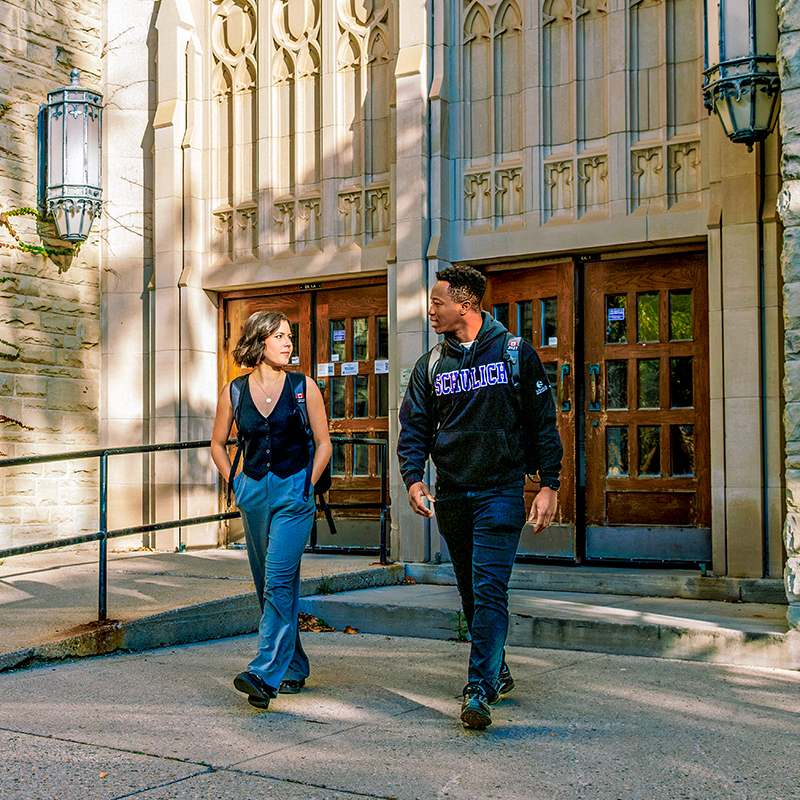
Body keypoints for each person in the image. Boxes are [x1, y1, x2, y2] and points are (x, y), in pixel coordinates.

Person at [397, 265, 562, 730]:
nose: (430, 310)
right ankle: (497, 669)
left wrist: (549, 483)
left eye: (437, 302)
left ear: (465, 305)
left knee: (490, 588)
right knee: (471, 591)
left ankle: (478, 690)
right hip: (452, 493)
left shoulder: (514, 353)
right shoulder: (431, 365)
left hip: (500, 491)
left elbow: (542, 423)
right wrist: (413, 478)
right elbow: (414, 429)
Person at [211, 311, 332, 710]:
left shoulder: (303, 386)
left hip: (293, 493)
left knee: (279, 579)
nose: (288, 343)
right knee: (268, 582)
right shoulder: (235, 391)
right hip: (254, 493)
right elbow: (217, 444)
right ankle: (294, 665)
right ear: (259, 341)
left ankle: (264, 673)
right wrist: (237, 482)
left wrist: (307, 486)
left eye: (290, 336)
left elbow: (324, 443)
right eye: (280, 336)